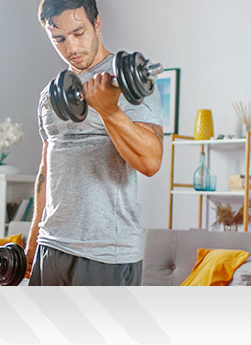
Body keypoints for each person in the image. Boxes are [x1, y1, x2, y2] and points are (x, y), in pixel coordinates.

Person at [24, 0, 163, 286]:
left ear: (96, 23)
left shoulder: (126, 82)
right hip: (51, 247)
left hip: (106, 253)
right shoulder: (49, 96)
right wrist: (33, 239)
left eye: (78, 32)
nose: (71, 48)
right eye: (59, 39)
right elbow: (47, 168)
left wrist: (108, 109)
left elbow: (150, 162)